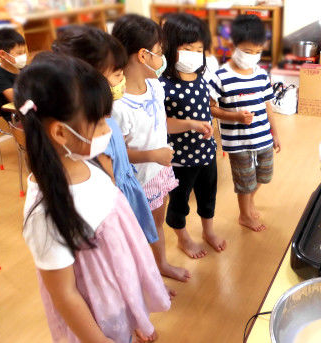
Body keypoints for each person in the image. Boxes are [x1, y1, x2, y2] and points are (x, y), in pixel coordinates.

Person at [18, 52, 170, 343]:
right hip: (97, 320)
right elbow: (64, 295)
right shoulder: (45, 213)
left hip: (118, 300)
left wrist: (135, 314)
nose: (107, 129)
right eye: (99, 121)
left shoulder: (88, 161)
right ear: (61, 132)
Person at [50, 26, 178, 295]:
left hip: (132, 190)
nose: (122, 80)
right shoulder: (86, 134)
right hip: (115, 205)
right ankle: (144, 288)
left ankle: (152, 277)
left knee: (148, 232)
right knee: (125, 259)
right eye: (118, 74)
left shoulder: (106, 118)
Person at [112, 14, 211, 280]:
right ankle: (142, 279)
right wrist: (152, 155)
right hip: (134, 183)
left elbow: (161, 123)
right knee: (135, 234)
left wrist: (190, 123)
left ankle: (160, 266)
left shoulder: (155, 86)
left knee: (156, 224)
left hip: (157, 174)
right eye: (159, 52)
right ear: (143, 56)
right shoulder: (118, 106)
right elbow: (115, 156)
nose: (164, 58)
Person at [160, 13, 226, 259]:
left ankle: (208, 230)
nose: (194, 54)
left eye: (199, 49)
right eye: (187, 48)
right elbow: (162, 124)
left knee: (208, 194)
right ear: (169, 47)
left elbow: (207, 109)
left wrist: (215, 132)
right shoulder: (163, 83)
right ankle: (182, 237)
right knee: (179, 201)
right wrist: (190, 124)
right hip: (179, 158)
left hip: (206, 151)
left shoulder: (200, 76)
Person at [209, 14, 281, 232]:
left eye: (258, 52)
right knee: (244, 182)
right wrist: (236, 117)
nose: (253, 56)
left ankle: (249, 203)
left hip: (263, 138)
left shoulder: (261, 74)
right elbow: (211, 108)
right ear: (235, 45)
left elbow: (268, 105)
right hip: (238, 142)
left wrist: (275, 133)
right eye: (248, 51)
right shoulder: (220, 76)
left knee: (264, 176)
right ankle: (244, 215)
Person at [0, 28, 26, 121]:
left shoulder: (25, 68)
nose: (23, 56)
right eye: (19, 53)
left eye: (24, 52)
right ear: (3, 54)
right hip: (19, 118)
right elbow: (16, 100)